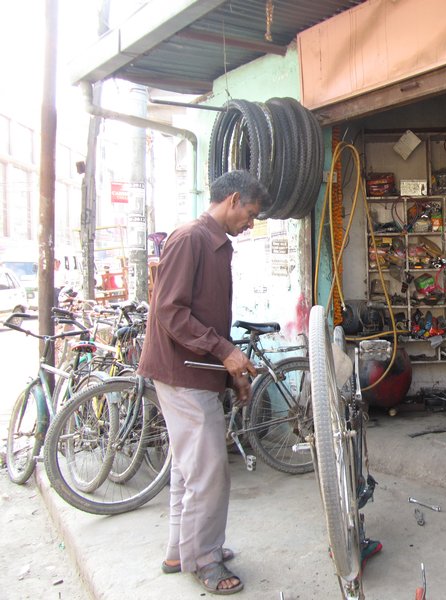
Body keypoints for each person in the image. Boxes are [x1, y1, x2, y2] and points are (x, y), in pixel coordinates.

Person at [137, 170, 266, 595]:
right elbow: (170, 312)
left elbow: (206, 317)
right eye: (250, 213)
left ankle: (180, 550)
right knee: (210, 471)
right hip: (181, 373)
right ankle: (205, 559)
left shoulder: (215, 245)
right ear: (232, 200)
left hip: (197, 372)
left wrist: (230, 375)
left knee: (188, 468)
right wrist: (226, 352)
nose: (251, 223)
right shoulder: (190, 238)